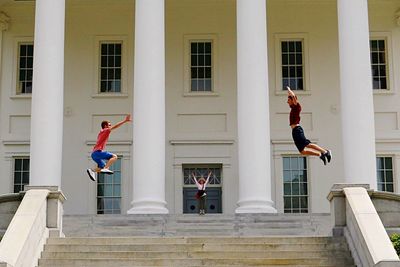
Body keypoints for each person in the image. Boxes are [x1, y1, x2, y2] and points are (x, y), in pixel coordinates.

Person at [286, 86, 332, 165]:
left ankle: (326, 151)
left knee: (308, 144)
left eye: (288, 100)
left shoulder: (297, 107)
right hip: (294, 131)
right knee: (302, 151)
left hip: (297, 130)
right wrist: (288, 94)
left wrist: (289, 90)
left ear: (292, 100)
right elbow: (292, 98)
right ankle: (320, 154)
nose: (287, 102)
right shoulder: (293, 108)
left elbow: (294, 97)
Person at [86, 114, 132, 181]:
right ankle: (106, 168)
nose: (110, 126)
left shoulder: (101, 132)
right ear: (105, 126)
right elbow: (115, 126)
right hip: (97, 152)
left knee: (102, 167)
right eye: (109, 125)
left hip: (94, 154)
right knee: (114, 156)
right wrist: (125, 121)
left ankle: (92, 170)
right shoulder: (105, 130)